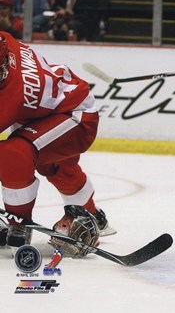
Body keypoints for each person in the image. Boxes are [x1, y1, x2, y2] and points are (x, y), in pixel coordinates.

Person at [0, 31, 115, 254]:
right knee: (56, 166)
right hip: (50, 108)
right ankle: (89, 214)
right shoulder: (4, 40)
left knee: (14, 154)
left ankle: (19, 222)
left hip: (76, 115)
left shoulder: (11, 95)